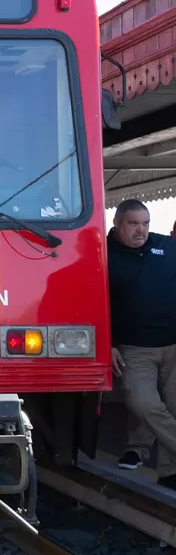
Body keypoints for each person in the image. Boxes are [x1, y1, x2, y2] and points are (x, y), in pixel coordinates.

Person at [108, 199, 176, 487]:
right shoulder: (102, 253)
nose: (141, 230)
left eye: (145, 223)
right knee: (143, 403)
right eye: (133, 224)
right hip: (133, 349)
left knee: (172, 407)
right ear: (118, 224)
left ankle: (169, 472)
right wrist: (106, 344)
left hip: (172, 345)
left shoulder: (167, 247)